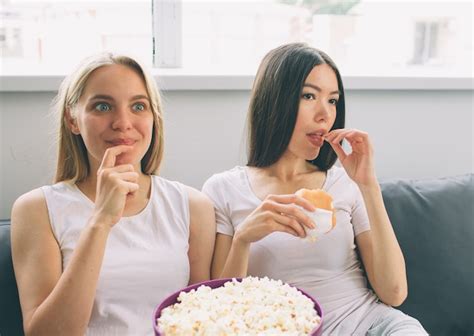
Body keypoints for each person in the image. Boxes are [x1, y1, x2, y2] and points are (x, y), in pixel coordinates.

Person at [202, 43, 427, 335]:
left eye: (333, 101)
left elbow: (394, 293)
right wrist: (243, 238)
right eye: (309, 96)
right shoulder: (224, 189)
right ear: (275, 101)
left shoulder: (346, 184)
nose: (325, 114)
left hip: (372, 325)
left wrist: (368, 186)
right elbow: (221, 311)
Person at [11, 53, 216, 335]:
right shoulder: (37, 209)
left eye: (138, 106)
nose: (122, 122)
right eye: (103, 106)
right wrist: (100, 221)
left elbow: (200, 319)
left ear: (153, 118)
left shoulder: (193, 206)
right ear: (73, 119)